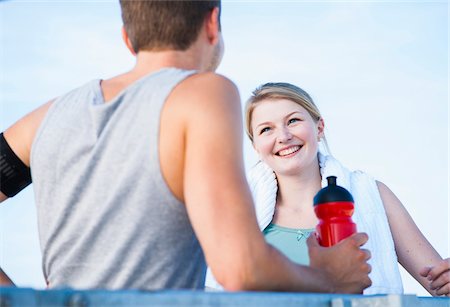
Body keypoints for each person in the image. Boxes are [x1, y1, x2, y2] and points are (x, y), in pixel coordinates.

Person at [0, 1, 372, 292]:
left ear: (128, 39)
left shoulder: (45, 117)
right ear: (213, 25)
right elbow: (240, 268)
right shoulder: (204, 92)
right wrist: (329, 279)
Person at [205, 82, 450, 296]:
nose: (284, 136)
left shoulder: (372, 194)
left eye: (293, 120)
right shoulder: (236, 210)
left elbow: (438, 284)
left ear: (319, 128)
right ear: (256, 145)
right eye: (266, 129)